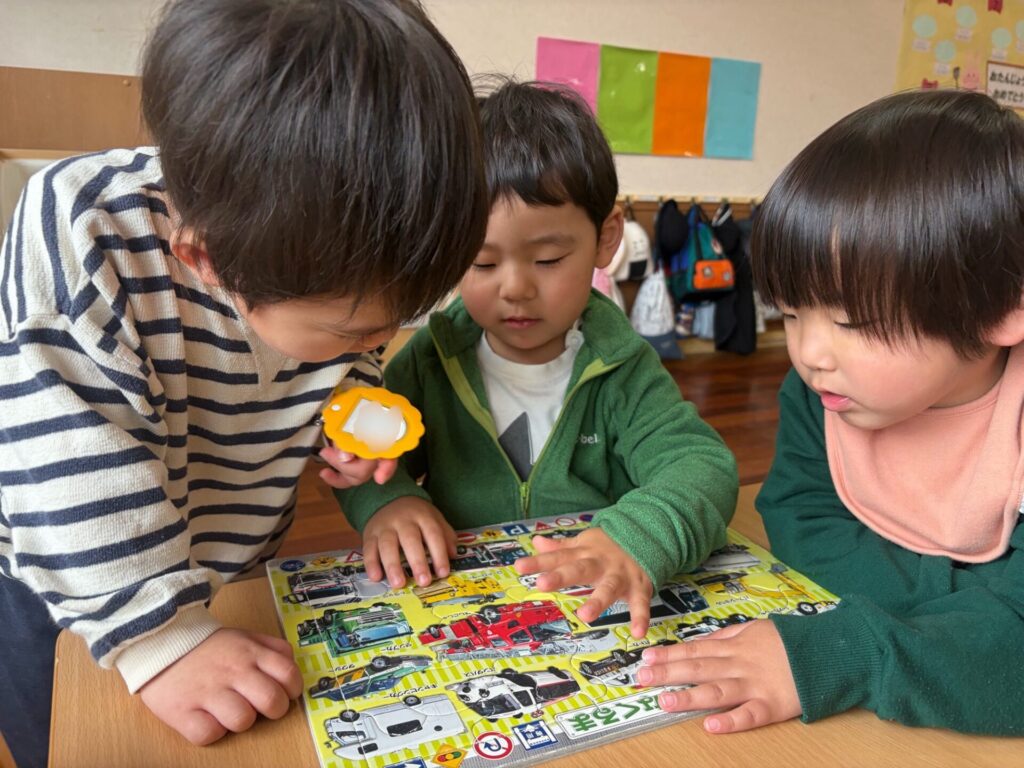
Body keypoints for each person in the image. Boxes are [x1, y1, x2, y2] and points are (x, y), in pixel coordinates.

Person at [0, 1, 488, 765]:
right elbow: (68, 462)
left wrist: (354, 412)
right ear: (207, 261)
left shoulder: (309, 261)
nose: (377, 346)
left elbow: (335, 359)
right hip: (82, 585)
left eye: (392, 328)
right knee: (75, 745)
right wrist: (164, 640)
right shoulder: (84, 226)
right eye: (355, 335)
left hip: (231, 567)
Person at [637, 89, 1024, 737]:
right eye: (790, 313)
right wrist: (958, 618)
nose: (810, 354)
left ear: (1003, 308)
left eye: (855, 322)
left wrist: (855, 649)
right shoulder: (821, 393)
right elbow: (800, 513)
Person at [332, 79, 739, 640]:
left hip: (590, 609)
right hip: (465, 605)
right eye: (481, 263)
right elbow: (359, 453)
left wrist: (636, 536)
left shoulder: (622, 368)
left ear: (605, 239)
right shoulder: (433, 357)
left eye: (547, 259)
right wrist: (388, 500)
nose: (515, 289)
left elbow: (702, 467)